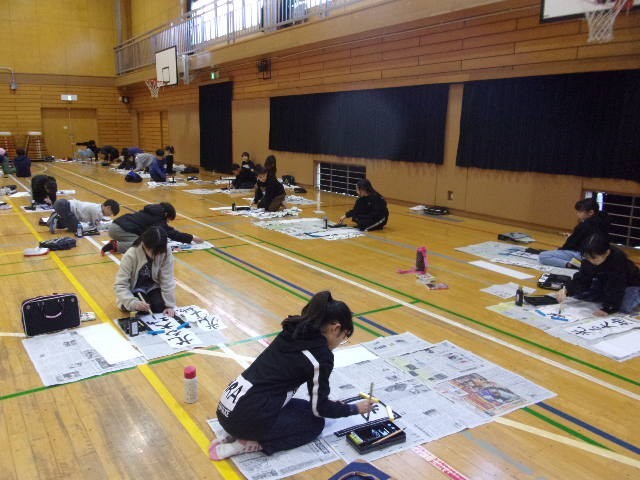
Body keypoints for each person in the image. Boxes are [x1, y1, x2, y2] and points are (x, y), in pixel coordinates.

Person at [210, 291, 374, 460]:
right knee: (315, 424)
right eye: (345, 337)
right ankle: (251, 443)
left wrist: (331, 405)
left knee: (305, 408)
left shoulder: (293, 329)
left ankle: (235, 431)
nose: (341, 342)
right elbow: (320, 409)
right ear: (336, 328)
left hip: (228, 408)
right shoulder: (321, 356)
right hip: (245, 420)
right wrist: (354, 409)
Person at [558, 233, 640, 316]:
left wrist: (608, 308)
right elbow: (582, 278)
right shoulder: (589, 259)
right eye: (588, 258)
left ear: (607, 253)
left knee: (623, 307)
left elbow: (616, 286)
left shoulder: (618, 261)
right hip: (604, 280)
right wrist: (567, 290)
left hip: (630, 283)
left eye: (594, 258)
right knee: (582, 295)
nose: (591, 261)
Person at [114, 226, 176, 316]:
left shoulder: (165, 251)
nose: (155, 255)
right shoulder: (131, 254)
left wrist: (169, 305)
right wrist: (133, 303)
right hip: (134, 288)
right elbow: (120, 284)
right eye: (152, 251)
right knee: (143, 309)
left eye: (159, 253)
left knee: (159, 306)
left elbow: (167, 279)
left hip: (152, 286)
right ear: (144, 244)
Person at [102, 202, 203, 254]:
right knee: (144, 246)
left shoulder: (153, 212)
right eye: (168, 220)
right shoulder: (158, 218)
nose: (167, 222)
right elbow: (171, 233)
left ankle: (119, 242)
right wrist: (192, 237)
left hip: (116, 226)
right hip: (119, 230)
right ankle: (115, 246)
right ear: (166, 214)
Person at [539, 198, 610, 269]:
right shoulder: (602, 223)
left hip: (584, 255)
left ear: (591, 212)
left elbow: (571, 243)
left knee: (543, 256)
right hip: (599, 256)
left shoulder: (585, 225)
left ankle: (571, 265)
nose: (577, 214)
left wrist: (561, 250)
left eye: (580, 211)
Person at [48, 198, 120, 234]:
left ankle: (56, 219)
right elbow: (96, 227)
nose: (110, 215)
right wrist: (110, 225)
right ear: (108, 207)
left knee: (68, 225)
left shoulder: (98, 207)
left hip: (61, 204)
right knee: (77, 229)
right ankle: (56, 217)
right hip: (63, 206)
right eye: (111, 213)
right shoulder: (98, 212)